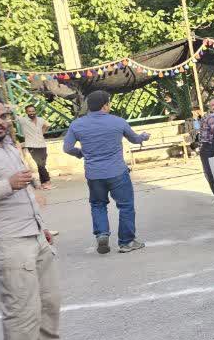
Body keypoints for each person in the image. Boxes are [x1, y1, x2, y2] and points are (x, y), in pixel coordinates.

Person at [0, 93, 78, 340]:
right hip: (7, 239)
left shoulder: (9, 145)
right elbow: (11, 187)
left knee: (49, 299)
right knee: (21, 306)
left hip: (33, 233)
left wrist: (42, 226)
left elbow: (25, 192)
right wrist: (6, 185)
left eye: (2, 116)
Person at [63, 90, 150, 254]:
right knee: (125, 206)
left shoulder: (77, 124)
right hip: (117, 172)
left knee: (98, 205)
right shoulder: (118, 122)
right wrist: (144, 136)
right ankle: (126, 242)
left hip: (94, 175)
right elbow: (135, 139)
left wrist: (81, 153)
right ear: (105, 105)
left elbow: (67, 148)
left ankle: (102, 234)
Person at [18, 105, 52, 190]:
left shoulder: (40, 119)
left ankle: (44, 183)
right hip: (31, 145)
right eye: (29, 111)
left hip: (42, 145)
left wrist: (42, 133)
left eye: (33, 111)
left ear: (35, 111)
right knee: (40, 163)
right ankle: (46, 182)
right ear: (26, 112)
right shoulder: (23, 120)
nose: (31, 113)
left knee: (42, 164)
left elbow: (47, 125)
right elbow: (13, 117)